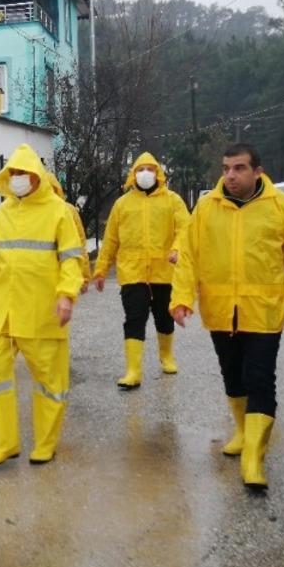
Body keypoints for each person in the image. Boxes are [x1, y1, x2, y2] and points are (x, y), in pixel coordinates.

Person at [169, 144, 284, 490]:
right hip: (220, 310)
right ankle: (241, 431)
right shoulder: (206, 208)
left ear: (257, 172)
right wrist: (180, 298)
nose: (230, 176)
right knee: (232, 376)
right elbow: (188, 256)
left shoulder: (282, 208)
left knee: (260, 380)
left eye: (238, 168)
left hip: (263, 312)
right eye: (225, 169)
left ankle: (253, 458)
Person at [0, 144, 84, 465]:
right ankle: (6, 443)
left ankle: (45, 442)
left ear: (37, 176)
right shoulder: (3, 213)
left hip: (41, 311)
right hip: (3, 312)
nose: (18, 178)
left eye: (23, 173)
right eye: (13, 173)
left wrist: (67, 295)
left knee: (50, 381)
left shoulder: (58, 212)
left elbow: (71, 259)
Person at [92, 152, 190, 389]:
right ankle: (133, 370)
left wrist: (177, 249)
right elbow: (111, 239)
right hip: (132, 272)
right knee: (134, 319)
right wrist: (101, 269)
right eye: (140, 169)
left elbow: (186, 229)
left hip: (164, 272)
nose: (145, 173)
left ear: (158, 173)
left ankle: (166, 356)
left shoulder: (172, 200)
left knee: (164, 317)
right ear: (133, 174)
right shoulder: (122, 204)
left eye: (150, 169)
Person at [46, 172, 92, 294]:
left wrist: (84, 276)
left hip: (63, 277)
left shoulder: (68, 211)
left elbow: (79, 244)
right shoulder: (28, 213)